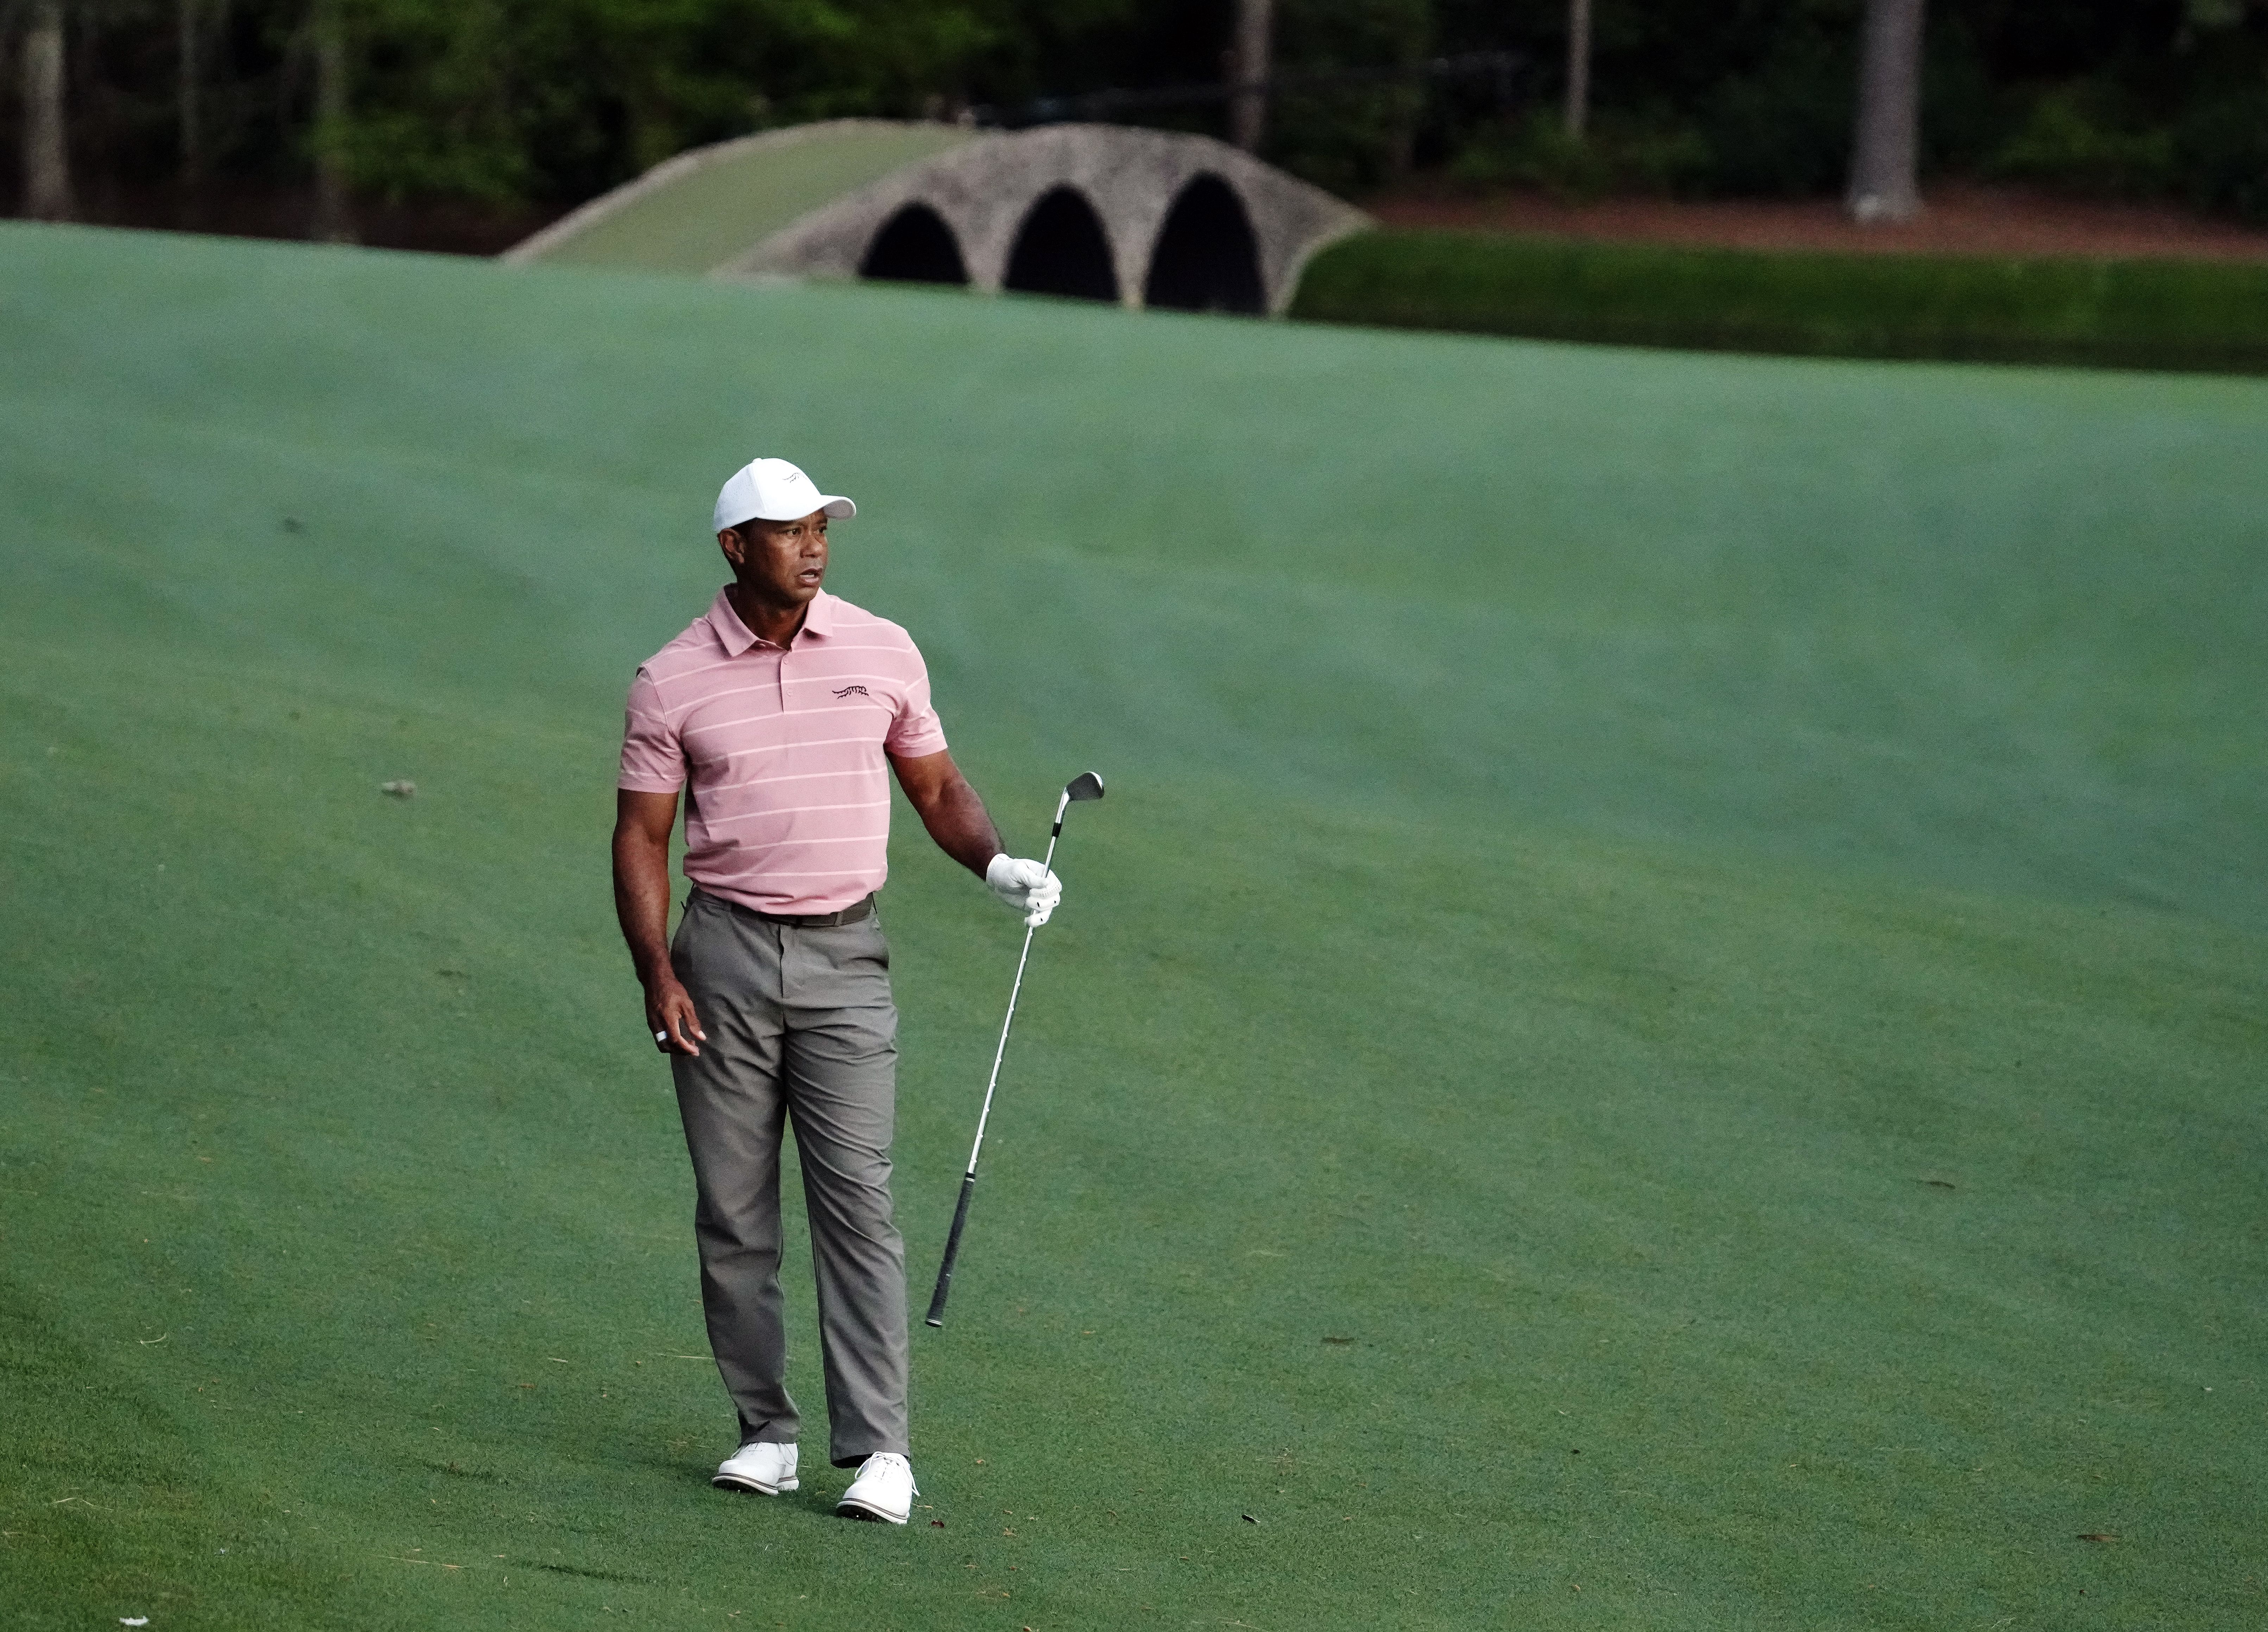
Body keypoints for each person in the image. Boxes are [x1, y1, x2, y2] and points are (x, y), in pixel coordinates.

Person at [610, 456, 1060, 1524]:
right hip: (719, 955)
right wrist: (655, 969)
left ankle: (881, 1453)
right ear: (735, 547)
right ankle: (764, 1432)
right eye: (787, 530)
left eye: (822, 529)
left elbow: (937, 784)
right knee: (734, 1212)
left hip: (845, 959)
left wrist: (993, 865)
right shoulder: (670, 678)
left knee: (857, 1201)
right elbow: (641, 834)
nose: (812, 547)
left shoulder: (880, 647)